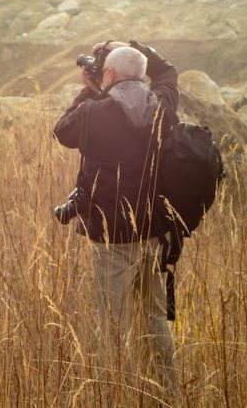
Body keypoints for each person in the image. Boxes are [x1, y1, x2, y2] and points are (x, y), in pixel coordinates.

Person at [53, 39, 179, 391]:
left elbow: (62, 130)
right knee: (154, 318)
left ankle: (114, 393)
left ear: (108, 73)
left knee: (111, 323)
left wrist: (90, 93)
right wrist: (132, 48)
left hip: (112, 240)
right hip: (155, 234)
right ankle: (168, 393)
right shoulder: (163, 107)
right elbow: (167, 72)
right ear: (140, 75)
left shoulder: (95, 112)